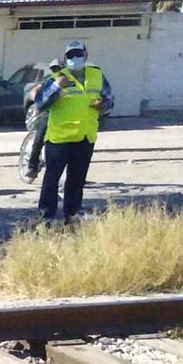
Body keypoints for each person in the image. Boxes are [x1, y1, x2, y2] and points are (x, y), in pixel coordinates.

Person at [36, 40, 113, 225]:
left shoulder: (97, 75)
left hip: (85, 137)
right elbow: (40, 103)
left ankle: (72, 213)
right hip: (59, 139)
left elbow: (109, 99)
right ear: (65, 58)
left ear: (86, 55)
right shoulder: (57, 77)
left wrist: (103, 105)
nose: (75, 58)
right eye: (71, 55)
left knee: (77, 180)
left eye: (78, 54)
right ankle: (47, 217)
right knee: (51, 180)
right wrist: (57, 86)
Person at [22, 59, 63, 181]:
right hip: (48, 114)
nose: (57, 71)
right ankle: (32, 167)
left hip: (64, 116)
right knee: (39, 139)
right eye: (54, 69)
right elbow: (33, 91)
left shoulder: (70, 82)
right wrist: (37, 102)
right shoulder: (49, 81)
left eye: (59, 69)